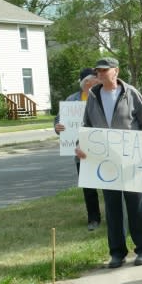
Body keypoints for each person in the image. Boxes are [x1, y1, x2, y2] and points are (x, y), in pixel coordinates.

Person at [76, 57, 142, 268]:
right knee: (113, 208)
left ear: (116, 71)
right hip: (106, 164)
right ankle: (117, 252)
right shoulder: (93, 97)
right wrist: (80, 144)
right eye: (98, 71)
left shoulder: (130, 93)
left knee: (137, 205)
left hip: (132, 160)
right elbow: (87, 127)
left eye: (105, 70)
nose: (101, 74)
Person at [54, 67, 102, 231]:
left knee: (110, 187)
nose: (99, 79)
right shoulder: (72, 100)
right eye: (96, 77)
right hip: (80, 151)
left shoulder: (103, 95)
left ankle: (115, 216)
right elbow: (59, 120)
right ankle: (93, 219)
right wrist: (58, 127)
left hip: (102, 148)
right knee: (89, 187)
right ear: (87, 81)